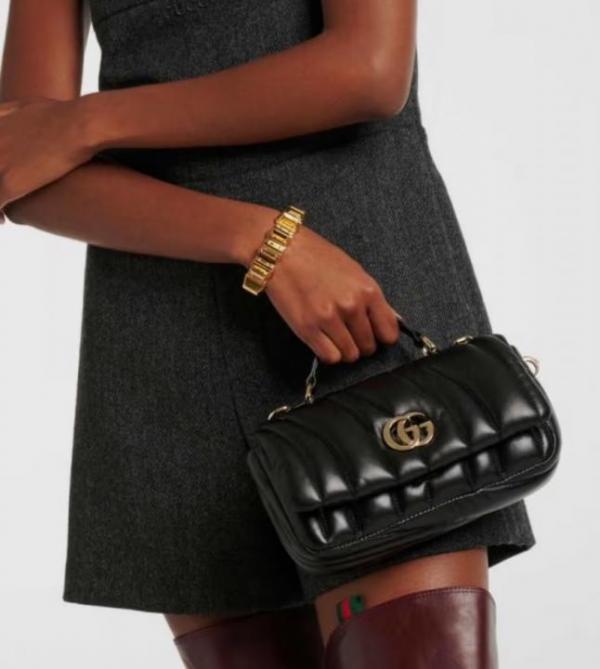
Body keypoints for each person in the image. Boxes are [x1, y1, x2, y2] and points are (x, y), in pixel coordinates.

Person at [0, 1, 535, 666]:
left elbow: (369, 68)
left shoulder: (92, 124)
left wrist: (88, 122)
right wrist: (259, 239)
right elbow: (19, 166)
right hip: (166, 321)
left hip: (356, 287)